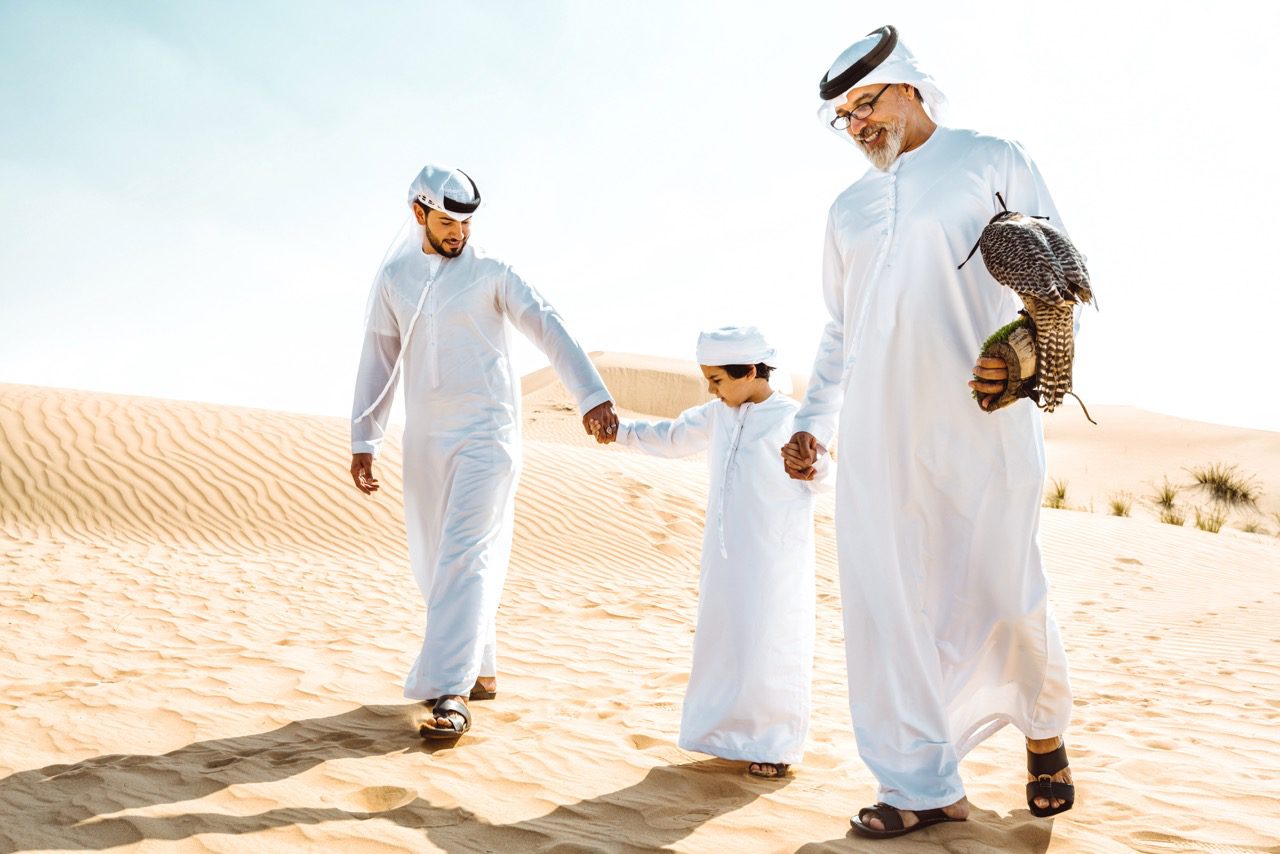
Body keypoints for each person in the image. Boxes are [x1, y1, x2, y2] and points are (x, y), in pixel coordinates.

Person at [780, 26, 1077, 838]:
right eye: (843, 116)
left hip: (980, 425)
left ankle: (1044, 729)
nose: (858, 126)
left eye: (866, 104)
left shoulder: (989, 159)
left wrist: (1030, 347)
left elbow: (1059, 276)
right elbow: (842, 329)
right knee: (887, 603)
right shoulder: (848, 209)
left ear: (908, 88)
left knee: (1005, 587)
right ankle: (918, 784)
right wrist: (813, 420)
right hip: (877, 437)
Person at [349, 163, 618, 739]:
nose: (458, 234)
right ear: (419, 213)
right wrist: (364, 438)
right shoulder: (394, 278)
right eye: (447, 222)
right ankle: (483, 669)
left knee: (464, 553)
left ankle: (449, 692)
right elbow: (379, 359)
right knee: (433, 559)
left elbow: (549, 326)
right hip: (425, 440)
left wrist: (590, 395)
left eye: (466, 224)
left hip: (487, 436)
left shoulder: (494, 272)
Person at [611, 327, 831, 779]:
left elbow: (831, 470)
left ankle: (775, 746)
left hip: (775, 557)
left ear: (749, 372)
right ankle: (723, 737)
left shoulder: (795, 417)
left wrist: (814, 467)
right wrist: (617, 432)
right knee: (725, 643)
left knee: (772, 644)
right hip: (724, 556)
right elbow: (670, 437)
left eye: (717, 380)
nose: (712, 389)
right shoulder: (718, 415)